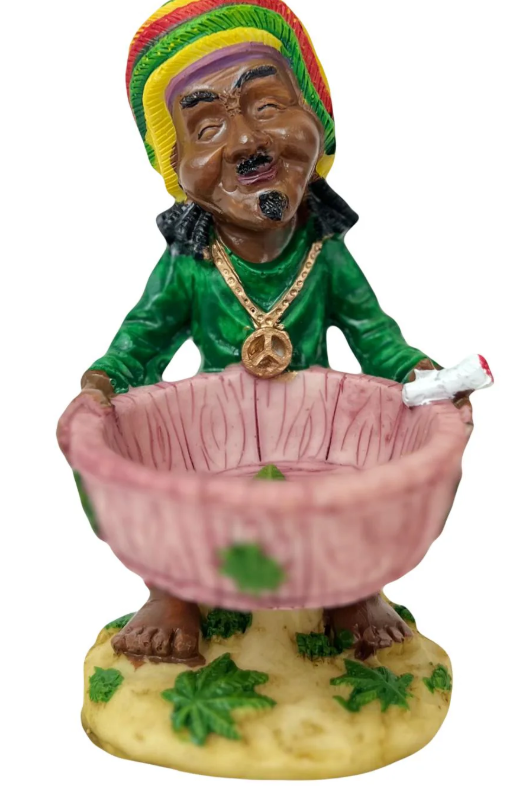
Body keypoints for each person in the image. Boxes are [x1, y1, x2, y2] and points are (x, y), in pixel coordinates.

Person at [81, 0, 468, 664]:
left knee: (360, 499)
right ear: (178, 167)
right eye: (207, 127)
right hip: (213, 447)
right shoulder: (191, 263)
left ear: (317, 121)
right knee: (143, 486)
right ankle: (174, 593)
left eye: (265, 107)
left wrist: (422, 376)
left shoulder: (324, 252)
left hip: (320, 446)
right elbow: (142, 339)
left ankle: (351, 592)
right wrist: (105, 383)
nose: (243, 143)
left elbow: (376, 336)